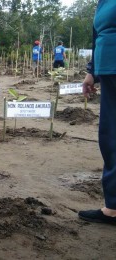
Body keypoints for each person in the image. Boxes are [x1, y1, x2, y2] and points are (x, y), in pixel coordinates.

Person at [78, 0, 116, 225]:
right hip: (108, 72)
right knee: (110, 138)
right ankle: (113, 206)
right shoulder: (103, 3)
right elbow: (97, 38)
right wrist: (92, 72)